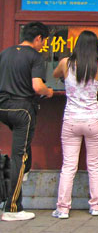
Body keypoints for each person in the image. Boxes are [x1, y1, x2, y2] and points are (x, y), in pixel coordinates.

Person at [51, 31, 98, 219]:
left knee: (68, 166)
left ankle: (62, 209)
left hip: (71, 120)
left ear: (76, 45)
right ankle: (96, 206)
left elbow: (54, 74)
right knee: (94, 165)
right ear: (96, 48)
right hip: (93, 119)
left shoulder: (65, 63)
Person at [0, 21, 54, 221]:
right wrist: (49, 92)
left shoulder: (5, 53)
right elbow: (37, 86)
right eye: (44, 41)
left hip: (2, 107)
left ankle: (20, 178)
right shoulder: (35, 56)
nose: (43, 45)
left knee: (22, 154)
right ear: (38, 38)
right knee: (19, 157)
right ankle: (12, 209)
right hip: (22, 110)